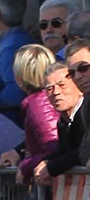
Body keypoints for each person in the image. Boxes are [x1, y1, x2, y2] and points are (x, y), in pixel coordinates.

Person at [0, 44, 61, 183]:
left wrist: (26, 166)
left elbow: (54, 148)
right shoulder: (39, 102)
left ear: (20, 76)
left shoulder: (39, 105)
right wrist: (18, 152)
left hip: (56, 187)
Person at [33, 55, 90, 186]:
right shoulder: (62, 122)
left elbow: (82, 150)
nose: (56, 92)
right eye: (49, 89)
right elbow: (65, 152)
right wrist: (46, 162)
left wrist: (52, 168)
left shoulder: (85, 114)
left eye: (62, 85)